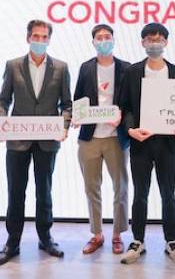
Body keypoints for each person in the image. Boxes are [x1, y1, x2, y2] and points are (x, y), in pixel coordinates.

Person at [0, 20, 72, 268]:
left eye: (44, 36)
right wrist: (1, 123)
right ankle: (12, 242)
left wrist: (64, 126)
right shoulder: (13, 65)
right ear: (28, 38)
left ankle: (45, 238)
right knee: (16, 192)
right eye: (35, 36)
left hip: (48, 140)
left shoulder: (61, 68)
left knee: (44, 191)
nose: (40, 40)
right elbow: (3, 100)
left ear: (49, 40)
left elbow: (66, 104)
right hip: (17, 140)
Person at [118, 23, 175, 264]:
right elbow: (125, 106)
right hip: (141, 142)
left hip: (167, 143)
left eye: (158, 40)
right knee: (140, 194)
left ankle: (171, 241)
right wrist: (130, 130)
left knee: (169, 193)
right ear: (142, 43)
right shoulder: (132, 71)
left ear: (166, 42)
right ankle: (138, 241)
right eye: (150, 40)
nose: (154, 44)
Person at [73, 24, 130, 255]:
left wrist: (123, 118)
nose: (104, 40)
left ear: (113, 40)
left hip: (116, 137)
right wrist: (77, 117)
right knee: (91, 187)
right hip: (90, 137)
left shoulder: (126, 68)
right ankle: (96, 234)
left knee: (120, 188)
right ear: (93, 42)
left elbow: (131, 103)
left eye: (107, 37)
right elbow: (78, 98)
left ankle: (117, 235)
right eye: (99, 37)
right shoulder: (86, 68)